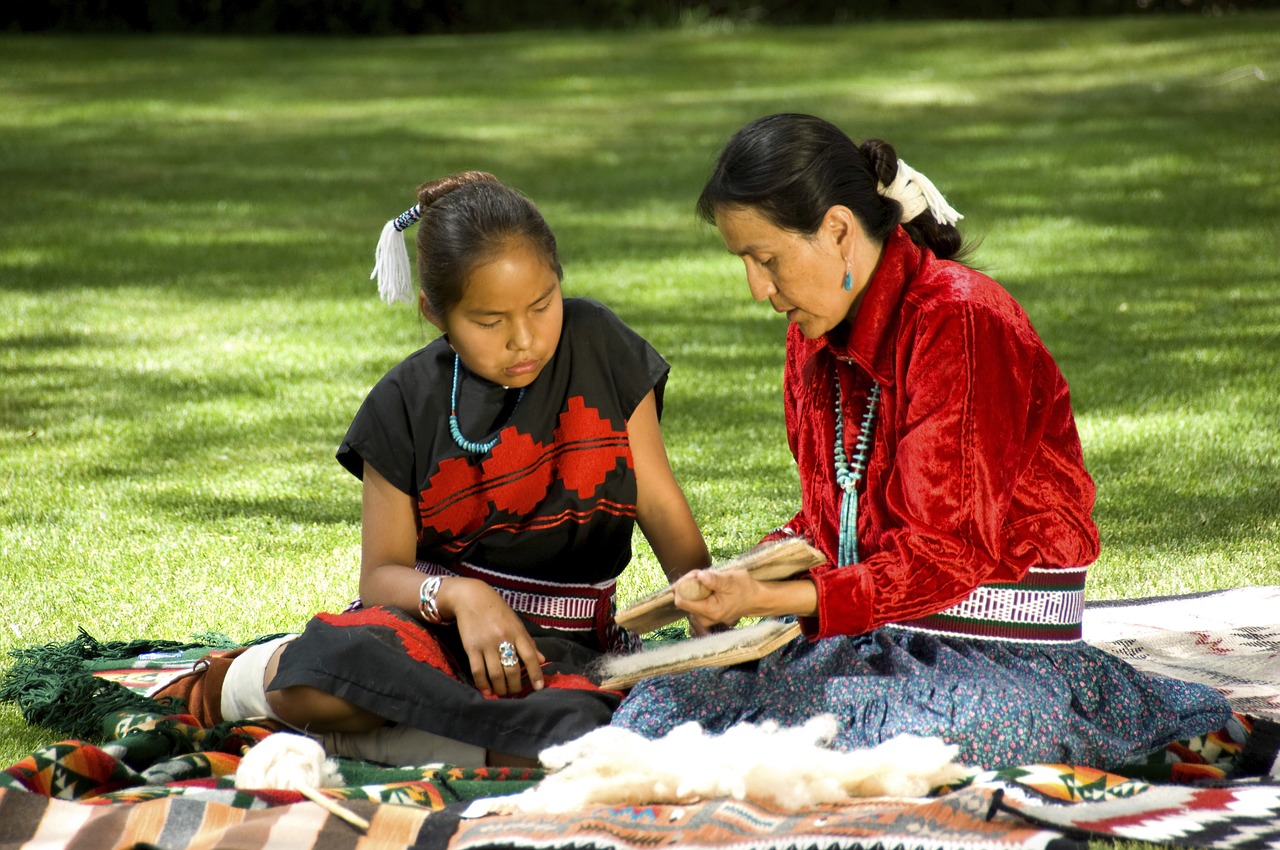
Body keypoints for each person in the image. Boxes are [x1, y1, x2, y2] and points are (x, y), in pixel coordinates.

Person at [610, 114, 1232, 770]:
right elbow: (833, 519)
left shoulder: (960, 321)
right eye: (746, 263)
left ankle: (1126, 718)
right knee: (662, 706)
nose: (758, 289)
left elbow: (948, 551)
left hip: (999, 655)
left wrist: (770, 600)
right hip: (869, 637)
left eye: (767, 260)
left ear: (839, 230)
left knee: (923, 738)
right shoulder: (812, 337)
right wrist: (745, 577)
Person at [159, 171, 710, 766]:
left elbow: (656, 501)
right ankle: (233, 682)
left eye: (542, 304)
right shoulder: (404, 403)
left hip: (563, 648)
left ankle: (354, 741)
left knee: (576, 736)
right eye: (489, 322)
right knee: (325, 677)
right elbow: (382, 576)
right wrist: (462, 596)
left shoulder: (602, 348)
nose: (523, 338)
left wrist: (709, 605)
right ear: (434, 312)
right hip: (434, 629)